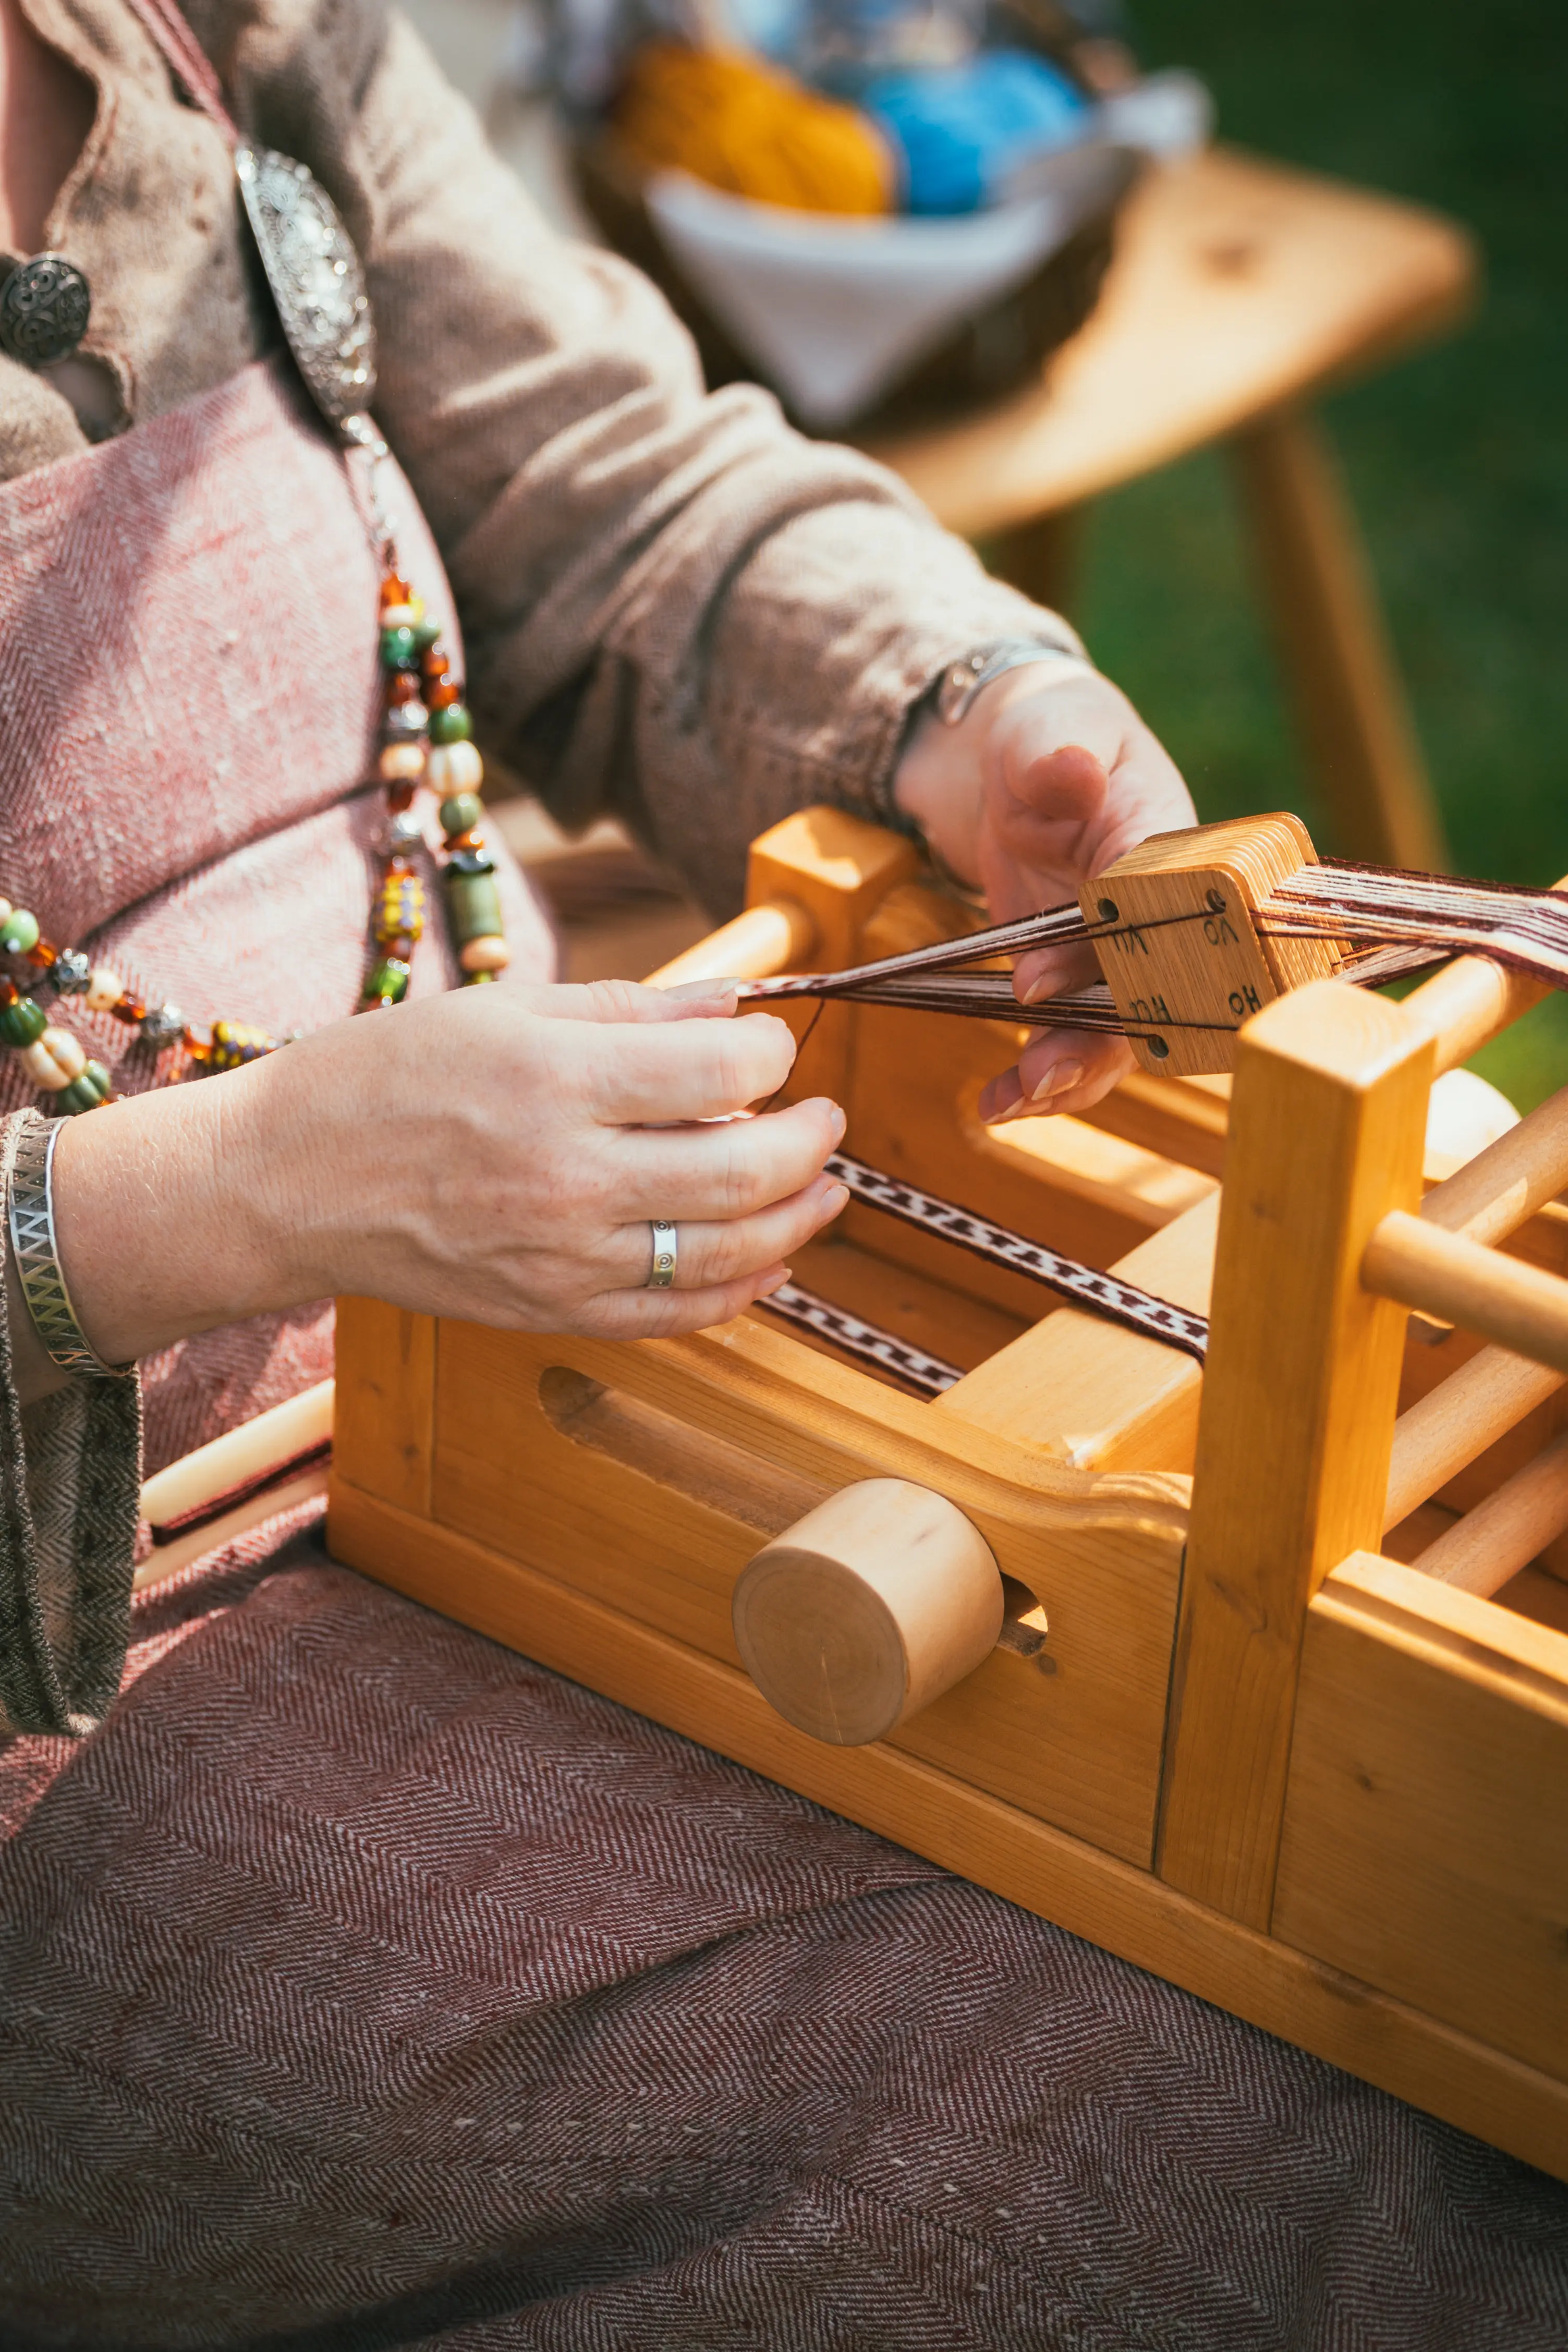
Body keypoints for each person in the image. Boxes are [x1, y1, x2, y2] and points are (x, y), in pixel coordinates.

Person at [0, 2, 1562, 2343]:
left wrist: (954, 703)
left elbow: (600, 486)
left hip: (541, 1320)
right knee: (1256, 2150)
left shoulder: (192, 26)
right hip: (90, 1689)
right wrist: (229, 1191)